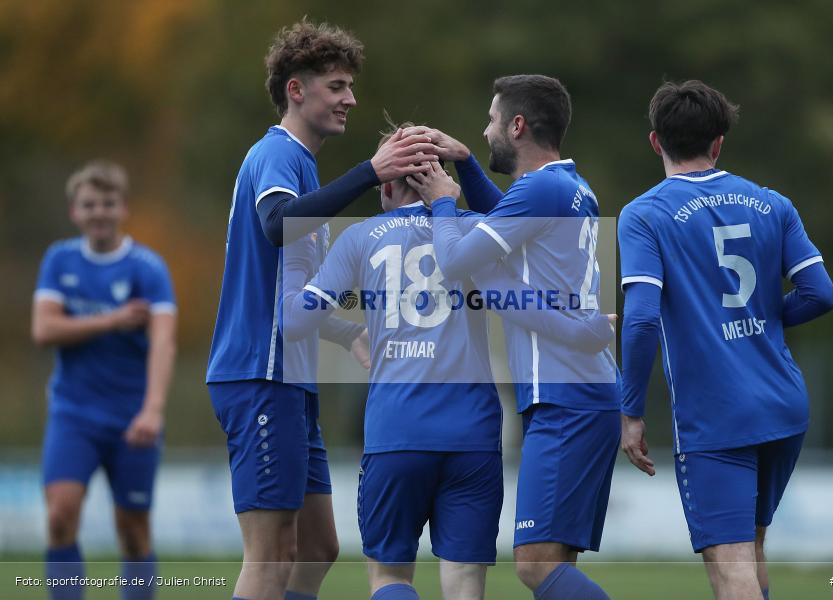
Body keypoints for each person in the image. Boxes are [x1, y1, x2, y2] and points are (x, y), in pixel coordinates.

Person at [281, 122, 614, 600]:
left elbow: (295, 322)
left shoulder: (360, 239)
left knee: (389, 578)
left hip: (397, 430)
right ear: (437, 176)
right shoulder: (476, 233)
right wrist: (587, 330)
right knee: (463, 587)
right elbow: (521, 303)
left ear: (388, 183)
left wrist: (295, 262)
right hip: (473, 436)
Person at [205, 20, 441, 600]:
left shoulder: (304, 167)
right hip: (260, 374)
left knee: (318, 548)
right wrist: (370, 174)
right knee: (269, 553)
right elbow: (278, 227)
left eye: (349, 86)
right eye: (336, 86)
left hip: (291, 378)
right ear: (296, 89)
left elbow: (291, 282)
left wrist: (343, 332)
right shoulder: (277, 154)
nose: (350, 99)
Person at [617, 80, 833, 600]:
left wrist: (630, 411)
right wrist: (764, 318)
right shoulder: (773, 203)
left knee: (729, 564)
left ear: (655, 142)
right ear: (719, 143)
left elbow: (642, 319)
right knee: (751, 552)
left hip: (718, 416)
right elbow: (820, 293)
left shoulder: (644, 214)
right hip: (783, 405)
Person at [405, 75, 620, 600]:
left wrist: (442, 201)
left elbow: (458, 260)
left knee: (535, 567)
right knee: (554, 565)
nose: (484, 131)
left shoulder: (541, 188)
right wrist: (467, 165)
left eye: (492, 120)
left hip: (567, 397)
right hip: (583, 392)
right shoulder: (568, 184)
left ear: (517, 125)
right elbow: (503, 227)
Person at [32, 160, 177, 600]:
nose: (98, 212)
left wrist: (152, 410)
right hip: (73, 413)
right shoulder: (60, 260)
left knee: (133, 531)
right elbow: (44, 330)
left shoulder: (148, 268)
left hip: (132, 417)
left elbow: (164, 343)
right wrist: (114, 319)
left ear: (123, 208)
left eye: (107, 203)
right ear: (75, 211)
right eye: (88, 204)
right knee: (60, 516)